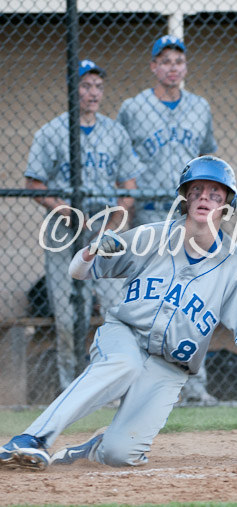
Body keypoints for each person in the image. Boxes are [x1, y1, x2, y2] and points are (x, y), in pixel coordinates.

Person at [0, 156, 237, 470]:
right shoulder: (151, 236)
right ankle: (31, 439)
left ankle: (98, 445)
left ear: (227, 205)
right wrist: (90, 250)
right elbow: (78, 271)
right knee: (123, 364)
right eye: (197, 190)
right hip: (124, 336)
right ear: (185, 199)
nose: (205, 197)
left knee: (120, 455)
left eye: (215, 193)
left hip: (170, 368)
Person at [24, 59, 141, 392]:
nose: (93, 93)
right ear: (72, 90)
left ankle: (111, 385)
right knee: (66, 315)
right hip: (63, 230)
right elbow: (35, 184)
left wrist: (114, 223)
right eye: (85, 86)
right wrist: (64, 210)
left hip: (103, 229)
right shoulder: (51, 131)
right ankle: (71, 386)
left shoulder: (114, 132)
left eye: (98, 86)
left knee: (115, 309)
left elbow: (129, 187)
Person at [118, 35, 219, 405]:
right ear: (153, 67)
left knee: (195, 296)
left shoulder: (199, 107)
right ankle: (142, 383)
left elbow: (209, 159)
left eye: (179, 60)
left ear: (185, 67)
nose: (173, 67)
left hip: (188, 212)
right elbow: (120, 160)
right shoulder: (133, 108)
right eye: (165, 60)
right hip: (148, 210)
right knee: (149, 298)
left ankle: (194, 385)